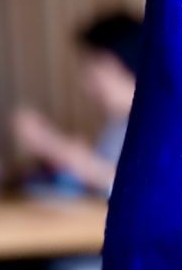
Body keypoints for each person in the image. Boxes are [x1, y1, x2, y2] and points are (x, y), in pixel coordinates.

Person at [13, 11, 142, 194]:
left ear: (113, 63)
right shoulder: (119, 123)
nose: (87, 83)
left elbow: (133, 186)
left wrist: (51, 144)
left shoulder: (158, 121)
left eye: (93, 66)